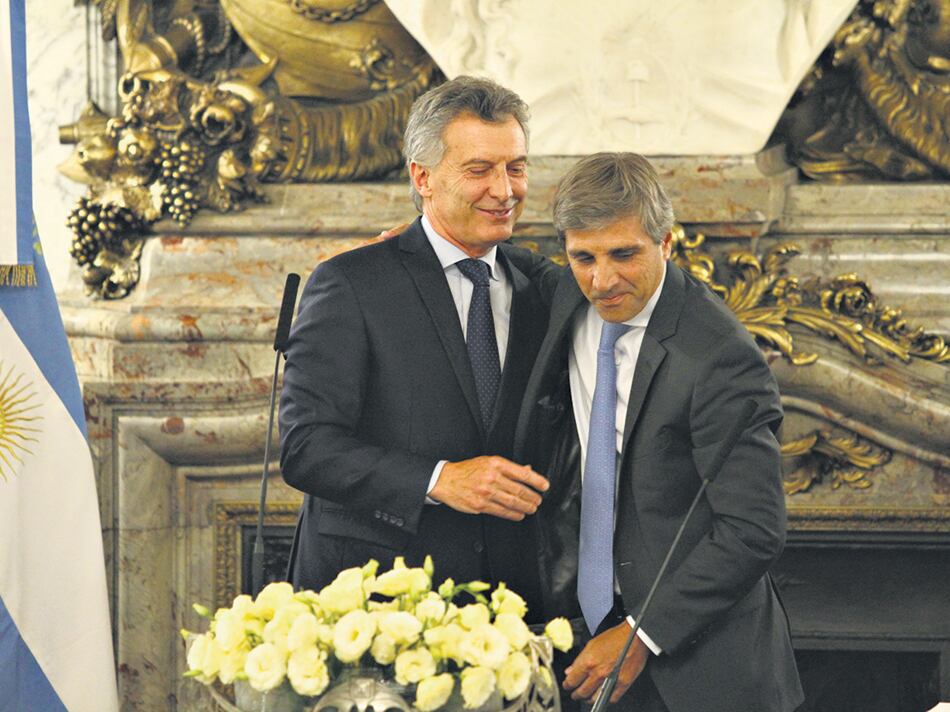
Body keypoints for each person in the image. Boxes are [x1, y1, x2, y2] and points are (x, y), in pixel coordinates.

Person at [512, 153, 804, 710]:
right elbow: (506, 258)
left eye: (624, 254)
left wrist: (641, 635)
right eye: (583, 257)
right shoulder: (566, 292)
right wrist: (417, 243)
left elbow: (753, 529)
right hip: (584, 644)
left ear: (666, 242)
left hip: (706, 672)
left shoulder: (721, 357)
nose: (602, 280)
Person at [278, 76, 552, 621]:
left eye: (516, 168)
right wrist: (439, 479)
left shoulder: (542, 287)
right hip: (375, 606)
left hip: (507, 610)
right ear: (423, 177)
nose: (505, 190)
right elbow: (307, 447)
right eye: (480, 170)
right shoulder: (350, 283)